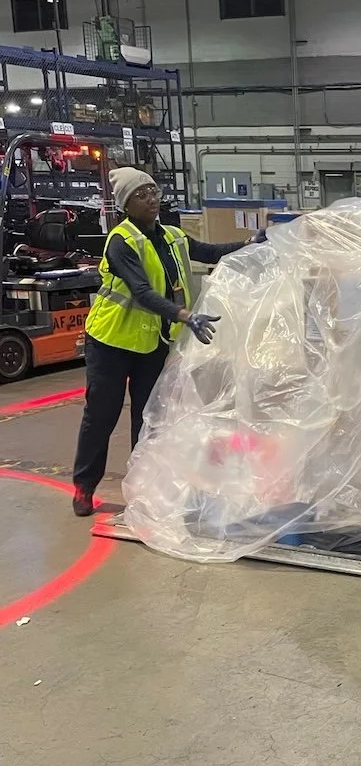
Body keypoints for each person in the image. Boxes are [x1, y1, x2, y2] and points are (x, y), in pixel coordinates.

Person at [71, 167, 263, 517]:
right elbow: (141, 292)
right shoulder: (121, 241)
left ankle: (141, 488)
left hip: (151, 342)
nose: (151, 199)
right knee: (101, 416)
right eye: (141, 195)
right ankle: (84, 486)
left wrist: (248, 244)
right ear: (126, 204)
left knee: (148, 420)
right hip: (111, 342)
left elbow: (207, 251)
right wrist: (185, 316)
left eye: (153, 191)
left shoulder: (172, 236)